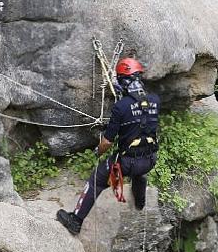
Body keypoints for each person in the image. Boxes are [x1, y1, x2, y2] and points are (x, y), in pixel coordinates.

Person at [57, 57, 160, 235]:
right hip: (150, 160)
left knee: (97, 177)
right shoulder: (155, 100)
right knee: (139, 168)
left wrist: (98, 151)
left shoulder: (121, 107)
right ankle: (140, 201)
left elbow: (107, 142)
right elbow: (139, 120)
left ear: (124, 80)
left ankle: (76, 220)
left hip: (127, 163)